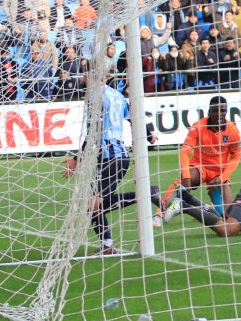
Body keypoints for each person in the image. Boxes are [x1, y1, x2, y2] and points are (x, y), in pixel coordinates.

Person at [61, 84, 164, 256]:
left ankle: (109, 243)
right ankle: (144, 195)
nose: (82, 78)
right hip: (119, 157)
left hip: (111, 157)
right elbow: (135, 117)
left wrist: (76, 160)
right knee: (95, 205)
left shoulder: (95, 96)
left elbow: (93, 132)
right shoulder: (118, 96)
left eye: (84, 73)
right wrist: (149, 135)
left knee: (92, 204)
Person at [161, 96, 241, 225]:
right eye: (215, 110)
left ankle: (204, 207)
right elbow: (185, 152)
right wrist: (186, 176)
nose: (219, 114)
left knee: (228, 218)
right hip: (200, 168)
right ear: (209, 110)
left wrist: (222, 177)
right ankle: (160, 212)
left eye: (223, 110)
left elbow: (236, 157)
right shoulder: (198, 126)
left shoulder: (233, 130)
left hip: (219, 173)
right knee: (184, 178)